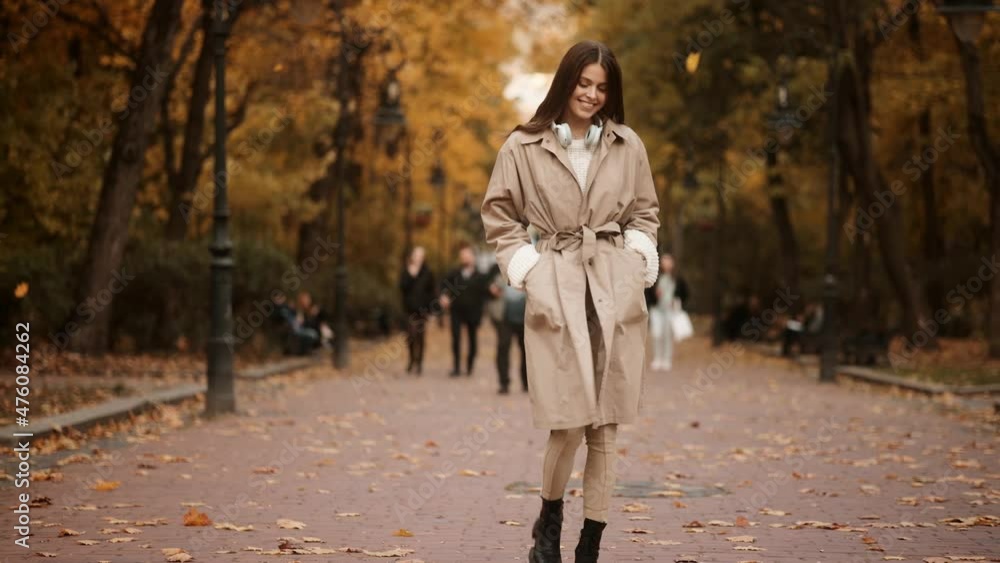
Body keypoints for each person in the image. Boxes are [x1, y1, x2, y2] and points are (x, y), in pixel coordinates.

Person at [481, 40, 660, 563]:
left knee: (606, 422)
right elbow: (499, 217)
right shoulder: (522, 146)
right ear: (565, 83)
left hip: (614, 286)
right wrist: (530, 271)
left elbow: (645, 214)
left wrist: (636, 259)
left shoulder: (629, 145)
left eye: (602, 87)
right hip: (555, 284)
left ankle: (590, 546)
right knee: (568, 419)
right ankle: (548, 527)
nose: (592, 95)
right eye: (584, 84)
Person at [439, 242, 488, 377]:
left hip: (473, 312)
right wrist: (443, 296)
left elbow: (486, 292)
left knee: (472, 340)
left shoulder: (480, 276)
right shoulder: (454, 273)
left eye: (467, 255)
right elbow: (443, 285)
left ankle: (470, 365)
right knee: (455, 338)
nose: (465, 258)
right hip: (456, 311)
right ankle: (456, 367)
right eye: (462, 256)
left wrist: (492, 292)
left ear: (473, 257)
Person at [488, 262, 529, 394]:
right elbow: (483, 283)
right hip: (504, 317)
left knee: (526, 351)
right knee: (503, 348)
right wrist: (491, 288)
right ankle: (504, 383)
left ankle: (527, 383)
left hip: (525, 317)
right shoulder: (496, 267)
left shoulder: (528, 264)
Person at [645, 254, 688, 371]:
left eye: (669, 261)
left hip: (670, 311)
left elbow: (684, 293)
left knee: (668, 335)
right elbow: (648, 291)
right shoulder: (656, 277)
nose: (666, 264)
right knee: (657, 334)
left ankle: (666, 359)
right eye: (664, 261)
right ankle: (657, 358)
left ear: (672, 263)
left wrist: (677, 301)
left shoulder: (677, 278)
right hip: (657, 310)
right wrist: (655, 296)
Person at [399, 246, 437, 375]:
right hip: (409, 309)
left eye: (421, 255)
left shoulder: (428, 272)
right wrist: (411, 275)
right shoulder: (406, 271)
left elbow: (432, 292)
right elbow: (402, 288)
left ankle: (419, 363)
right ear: (412, 256)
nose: (418, 257)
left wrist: (432, 311)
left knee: (420, 337)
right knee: (410, 336)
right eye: (416, 255)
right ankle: (411, 360)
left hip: (423, 310)